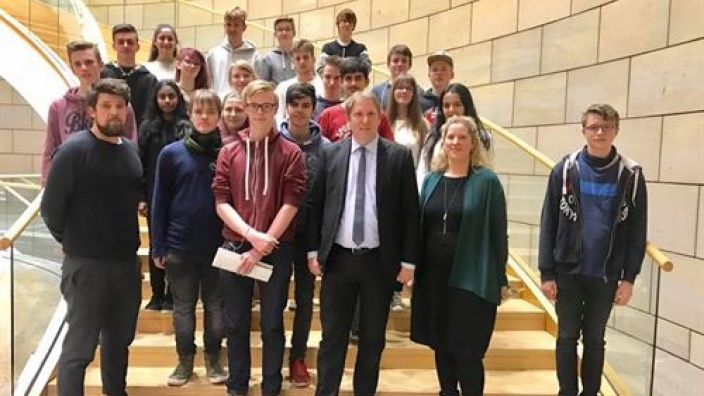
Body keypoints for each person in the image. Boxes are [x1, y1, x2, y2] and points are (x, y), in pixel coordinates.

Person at [307, 91, 420, 396]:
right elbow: (315, 206)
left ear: (380, 116)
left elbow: (411, 213)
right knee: (333, 337)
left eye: (371, 114)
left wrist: (409, 262)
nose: (365, 120)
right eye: (358, 114)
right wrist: (313, 251)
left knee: (372, 338)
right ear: (348, 118)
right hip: (339, 260)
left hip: (379, 262)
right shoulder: (330, 154)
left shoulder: (397, 157)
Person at [41, 78, 142, 396]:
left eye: (119, 107)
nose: (114, 112)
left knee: (118, 343)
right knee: (79, 350)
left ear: (127, 111)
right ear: (91, 111)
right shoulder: (72, 152)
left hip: (126, 267)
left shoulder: (131, 152)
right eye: (106, 106)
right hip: (87, 267)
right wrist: (72, 243)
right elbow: (51, 209)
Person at [539, 104, 648, 396]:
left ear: (616, 131)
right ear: (583, 129)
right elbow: (549, 221)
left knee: (595, 339)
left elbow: (637, 231)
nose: (600, 132)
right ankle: (567, 392)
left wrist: (629, 278)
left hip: (606, 273)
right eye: (594, 127)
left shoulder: (632, 174)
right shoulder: (565, 169)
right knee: (566, 336)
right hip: (568, 271)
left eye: (606, 127)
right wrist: (546, 272)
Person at [212, 80, 306, 396]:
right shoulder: (229, 151)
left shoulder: (291, 152)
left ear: (275, 108)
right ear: (245, 108)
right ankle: (237, 386)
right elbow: (221, 201)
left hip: (276, 247)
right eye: (255, 106)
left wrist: (265, 241)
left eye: (268, 106)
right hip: (236, 245)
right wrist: (251, 236)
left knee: (272, 324)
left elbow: (291, 202)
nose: (261, 112)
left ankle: (271, 386)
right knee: (236, 323)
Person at [410, 115, 509, 396]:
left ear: (473, 143)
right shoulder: (431, 180)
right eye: (450, 137)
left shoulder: (487, 181)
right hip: (434, 278)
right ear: (443, 142)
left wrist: (500, 277)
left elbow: (498, 233)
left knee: (468, 350)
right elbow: (421, 228)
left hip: (471, 276)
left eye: (462, 137)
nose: (455, 142)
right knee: (441, 344)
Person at [150, 89, 227, 386]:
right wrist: (159, 244)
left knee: (216, 307)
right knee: (182, 309)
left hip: (219, 247)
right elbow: (160, 202)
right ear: (190, 115)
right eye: (199, 111)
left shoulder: (229, 151)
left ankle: (213, 358)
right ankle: (184, 360)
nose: (204, 117)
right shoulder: (171, 154)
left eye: (210, 111)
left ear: (219, 116)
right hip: (180, 246)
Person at [278, 83, 329, 388]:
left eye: (305, 105)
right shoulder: (274, 142)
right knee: (275, 297)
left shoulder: (327, 149)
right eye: (294, 104)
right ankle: (274, 353)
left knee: (306, 298)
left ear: (313, 109)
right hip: (279, 233)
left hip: (312, 236)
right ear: (287, 107)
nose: (299, 110)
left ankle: (297, 357)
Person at [42, 40, 137, 184]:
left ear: (100, 64)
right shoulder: (58, 107)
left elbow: (131, 144)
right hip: (71, 181)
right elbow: (50, 149)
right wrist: (46, 183)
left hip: (110, 180)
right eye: (78, 64)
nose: (84, 68)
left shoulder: (120, 106)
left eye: (89, 62)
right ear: (72, 68)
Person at [137, 80, 190, 312]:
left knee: (176, 247)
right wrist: (142, 197)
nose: (167, 101)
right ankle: (157, 294)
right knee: (156, 244)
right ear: (156, 100)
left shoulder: (186, 127)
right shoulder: (147, 127)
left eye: (171, 96)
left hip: (179, 194)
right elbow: (141, 164)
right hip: (153, 193)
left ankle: (171, 295)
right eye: (162, 97)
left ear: (178, 99)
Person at [417, 83, 492, 188]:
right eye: (446, 106)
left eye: (457, 104)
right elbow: (422, 172)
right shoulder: (432, 138)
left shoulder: (483, 137)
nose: (451, 110)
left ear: (466, 106)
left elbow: (486, 169)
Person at [317, 56, 394, 142]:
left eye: (358, 78)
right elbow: (321, 151)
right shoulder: (328, 116)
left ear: (367, 82)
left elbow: (389, 150)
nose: (353, 83)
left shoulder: (378, 115)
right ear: (341, 82)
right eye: (348, 78)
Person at [101, 23, 158, 126]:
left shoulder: (149, 80)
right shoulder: (103, 74)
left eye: (130, 42)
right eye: (121, 42)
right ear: (114, 46)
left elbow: (152, 113)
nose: (125, 45)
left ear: (137, 46)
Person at [207, 6, 258, 97]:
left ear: (244, 27)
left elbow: (257, 82)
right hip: (221, 103)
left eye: (236, 25)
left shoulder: (254, 54)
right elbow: (209, 82)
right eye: (229, 25)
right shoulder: (214, 54)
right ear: (224, 26)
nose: (232, 29)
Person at [274, 39, 324, 123]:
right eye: (298, 58)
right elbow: (278, 117)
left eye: (305, 57)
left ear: (313, 59)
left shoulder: (322, 86)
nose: (302, 61)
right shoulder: (282, 87)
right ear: (293, 62)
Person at [371, 45, 432, 112]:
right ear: (388, 65)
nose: (400, 64)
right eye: (395, 61)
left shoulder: (418, 91)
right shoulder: (377, 91)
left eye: (404, 61)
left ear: (410, 65)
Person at [255, 16, 296, 86]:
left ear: (294, 33)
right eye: (280, 30)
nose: (284, 32)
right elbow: (261, 87)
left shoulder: (301, 57)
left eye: (288, 29)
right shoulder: (267, 58)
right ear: (275, 34)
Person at [421, 51, 455, 125]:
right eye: (435, 70)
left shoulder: (459, 100)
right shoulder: (420, 101)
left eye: (444, 69)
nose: (439, 73)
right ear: (429, 74)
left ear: (452, 74)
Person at [313, 55, 343, 120]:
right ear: (321, 77)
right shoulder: (312, 106)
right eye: (328, 77)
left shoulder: (348, 107)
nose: (332, 82)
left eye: (337, 78)